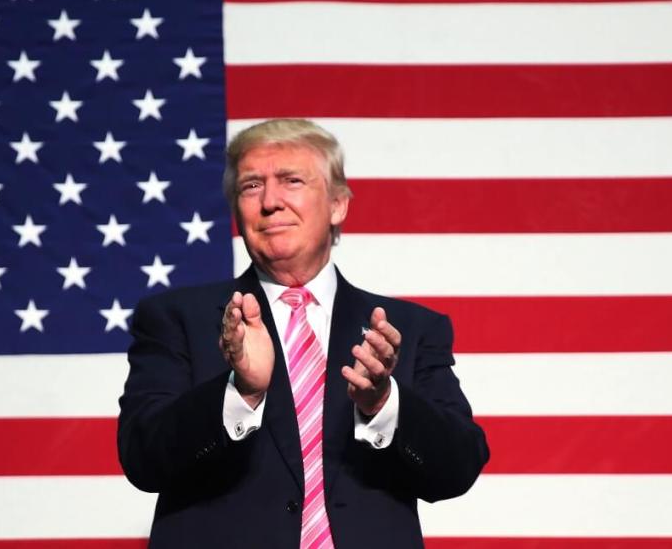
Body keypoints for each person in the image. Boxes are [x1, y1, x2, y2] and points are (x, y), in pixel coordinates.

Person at [118, 119, 489, 549]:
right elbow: (143, 460)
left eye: (291, 181)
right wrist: (240, 393)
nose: (270, 202)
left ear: (337, 204)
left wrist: (384, 405)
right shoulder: (175, 318)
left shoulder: (409, 329)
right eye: (251, 186)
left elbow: (458, 469)